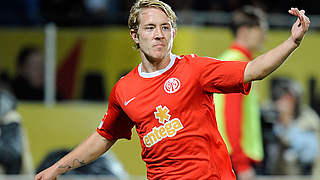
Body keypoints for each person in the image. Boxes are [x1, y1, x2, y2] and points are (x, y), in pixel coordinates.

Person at [34, 0, 310, 179]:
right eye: (151, 27)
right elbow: (104, 137)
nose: (159, 34)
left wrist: (292, 42)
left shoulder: (195, 69)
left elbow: (254, 70)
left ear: (173, 33)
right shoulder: (124, 89)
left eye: (165, 27)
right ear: (135, 35)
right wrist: (58, 168)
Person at [214, 6, 267, 180]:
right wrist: (241, 163)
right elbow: (231, 114)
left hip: (229, 157)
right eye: (261, 30)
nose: (264, 36)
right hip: (234, 161)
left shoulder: (229, 59)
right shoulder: (238, 64)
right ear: (244, 30)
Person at [261, 77, 319, 175]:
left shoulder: (308, 119)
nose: (283, 103)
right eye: (281, 98)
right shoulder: (269, 113)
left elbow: (309, 155)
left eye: (288, 99)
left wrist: (287, 126)